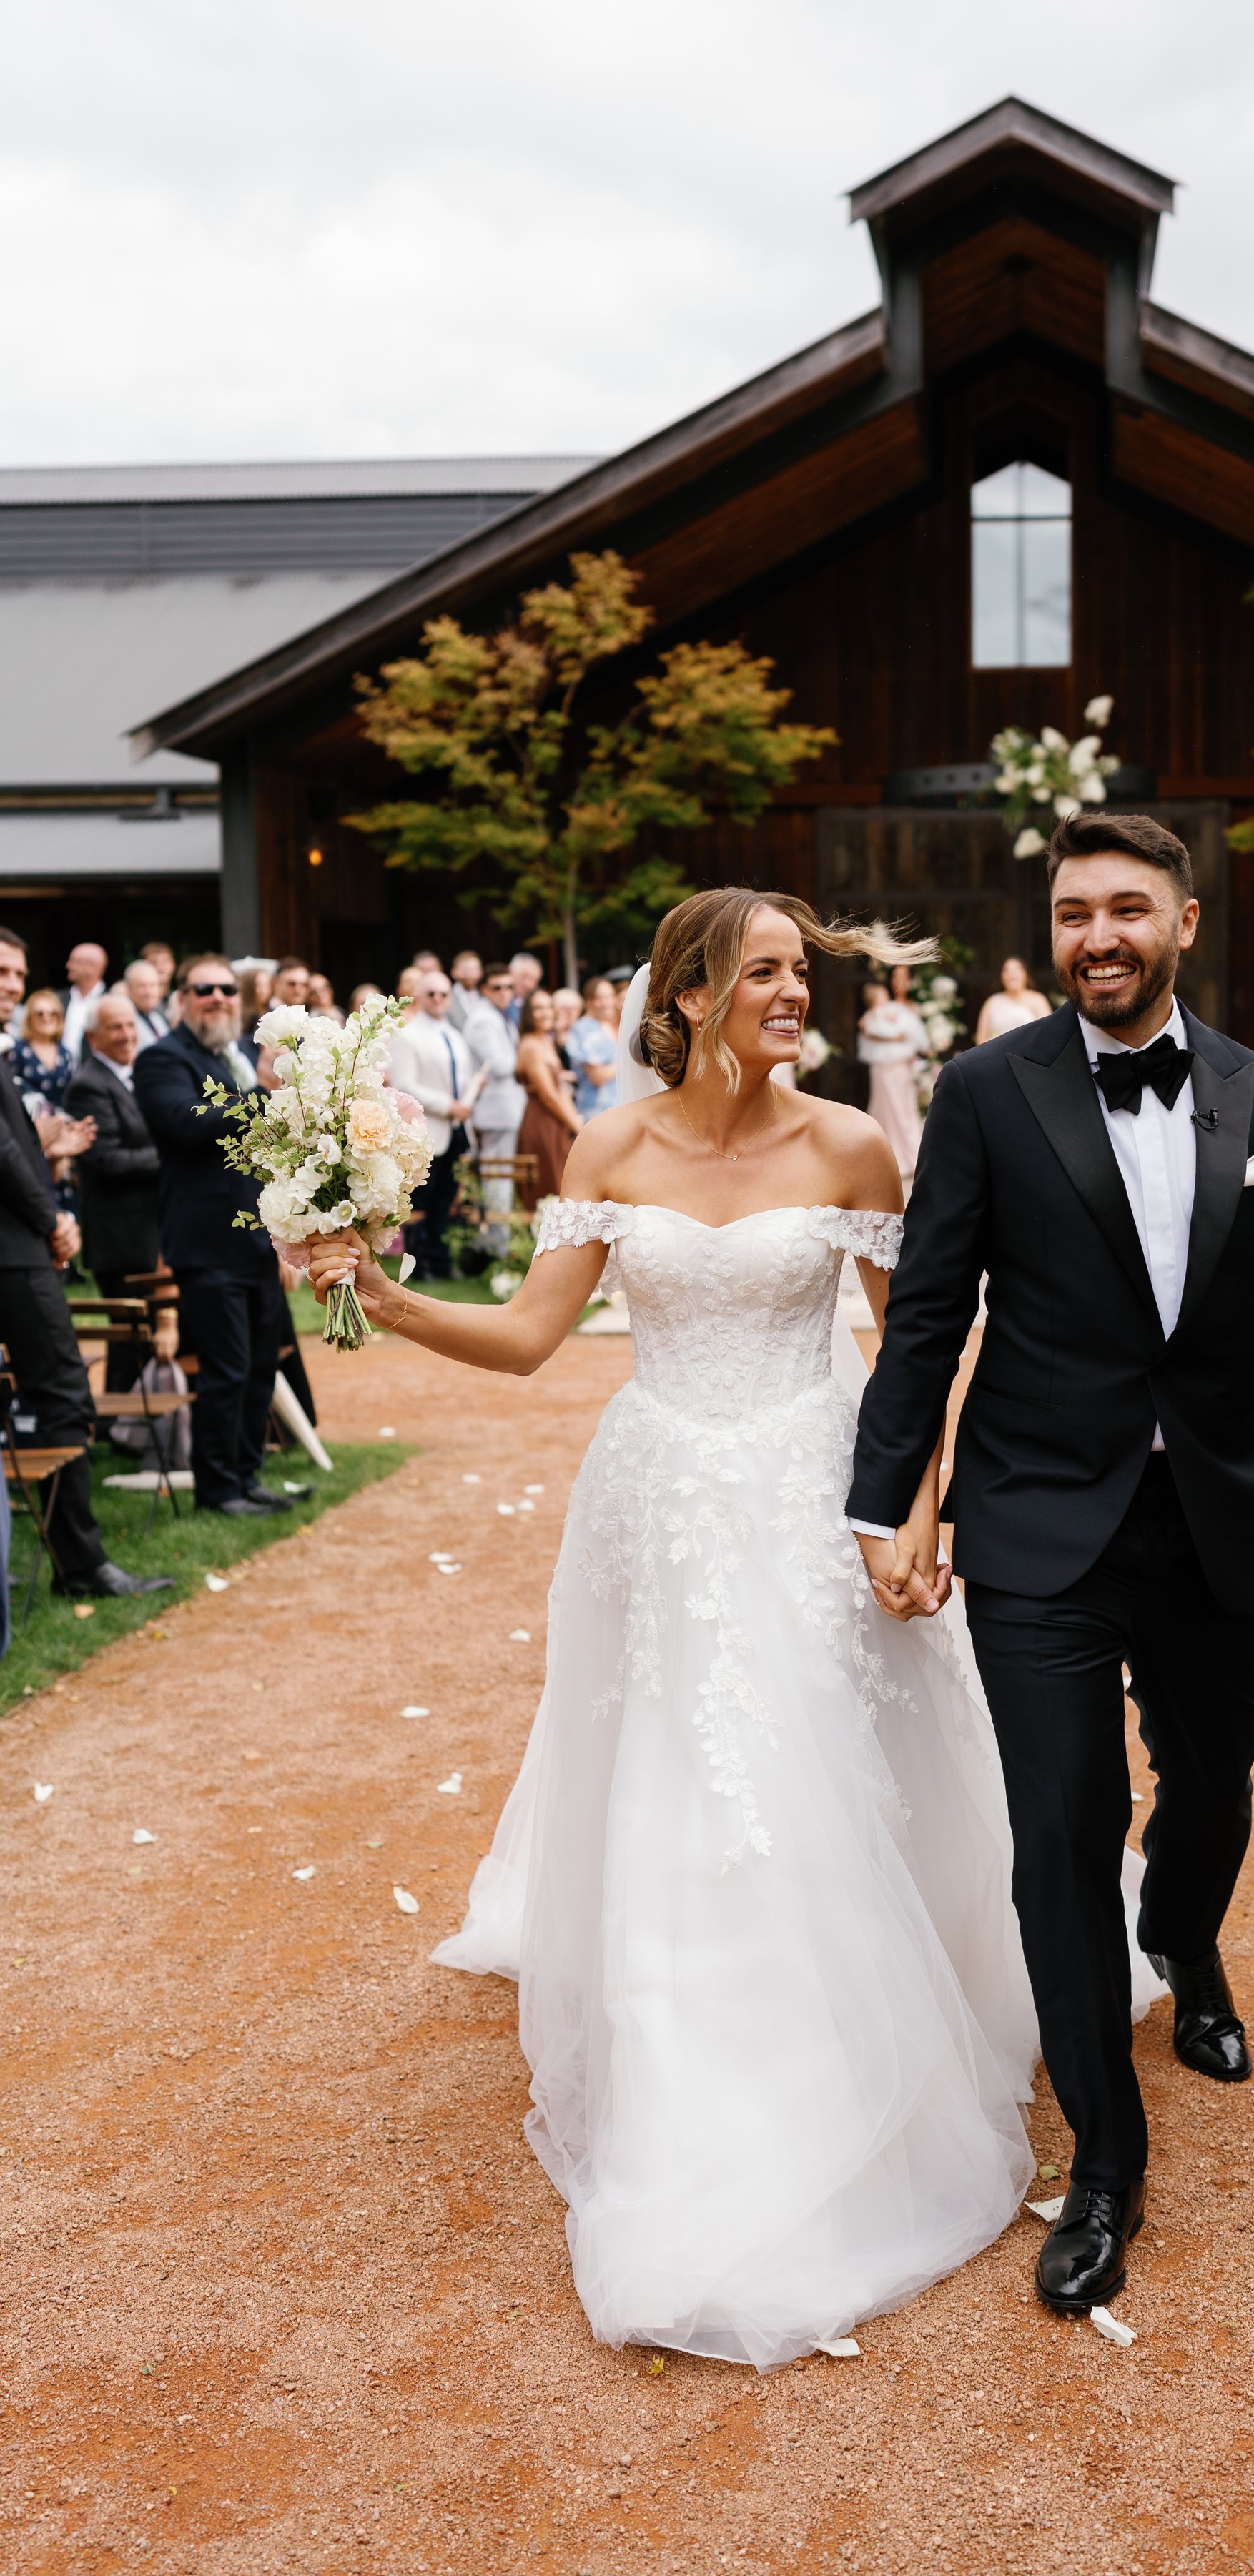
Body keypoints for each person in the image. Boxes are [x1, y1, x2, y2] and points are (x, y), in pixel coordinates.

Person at [302, 887, 1042, 2371]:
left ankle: (880, 2024)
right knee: (683, 1771)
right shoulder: (613, 1143)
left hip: (819, 1482)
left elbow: (913, 1343)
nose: (794, 994)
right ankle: (697, 2076)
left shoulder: (850, 1142)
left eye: (800, 972)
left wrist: (922, 1509)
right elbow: (525, 1339)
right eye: (765, 972)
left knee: (837, 1754)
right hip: (660, 1500)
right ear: (690, 995)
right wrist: (378, 1294)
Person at [848, 809, 1254, 2319]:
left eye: (1125, 910)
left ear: (1183, 922)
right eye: (1073, 911)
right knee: (1062, 1828)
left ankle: (1189, 1948)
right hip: (1032, 1518)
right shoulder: (981, 1091)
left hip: (1215, 1511)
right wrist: (884, 1503)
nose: (1096, 936)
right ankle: (1104, 2155)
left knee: (1210, 1786)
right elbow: (929, 1310)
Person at [0, 929, 172, 1600]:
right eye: (1, 971)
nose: (12, 983)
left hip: (21, 1241)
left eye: (17, 971)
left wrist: (44, 1149)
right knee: (66, 1390)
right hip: (14, 1253)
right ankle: (81, 1564)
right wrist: (52, 1220)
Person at [135, 957, 295, 1519]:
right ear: (183, 998)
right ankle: (217, 1489)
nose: (220, 997)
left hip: (253, 1241)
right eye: (206, 989)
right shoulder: (161, 1060)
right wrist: (266, 1094)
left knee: (259, 1365)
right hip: (205, 1244)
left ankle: (247, 1477)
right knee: (226, 1369)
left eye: (229, 989)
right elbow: (185, 1122)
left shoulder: (224, 1060)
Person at [65, 994, 167, 1394]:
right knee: (131, 1334)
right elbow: (104, 1159)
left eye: (130, 1025)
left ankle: (129, 1429)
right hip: (120, 1235)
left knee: (144, 1332)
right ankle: (122, 1428)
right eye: (115, 1027)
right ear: (93, 1037)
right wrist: (169, 1152)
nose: (127, 1035)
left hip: (148, 1229)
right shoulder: (87, 1086)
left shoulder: (135, 1073)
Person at [386, 967, 479, 1279]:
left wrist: (467, 1100)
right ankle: (419, 1265)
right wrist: (447, 1105)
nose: (438, 999)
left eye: (443, 994)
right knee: (421, 1202)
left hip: (455, 1130)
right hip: (427, 1129)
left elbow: (461, 1078)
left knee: (445, 1200)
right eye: (431, 994)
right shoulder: (409, 1034)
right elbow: (405, 1083)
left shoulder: (454, 1035)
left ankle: (441, 1261)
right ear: (421, 997)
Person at [461, 964, 526, 1203]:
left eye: (509, 987)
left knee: (503, 1176)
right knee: (496, 1177)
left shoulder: (499, 1015)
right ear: (484, 990)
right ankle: (495, 1238)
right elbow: (500, 1065)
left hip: (506, 1108)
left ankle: (500, 1236)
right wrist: (527, 1057)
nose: (504, 992)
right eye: (497, 987)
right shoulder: (482, 1020)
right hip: (495, 1110)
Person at [857, 978, 929, 1179]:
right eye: (881, 996)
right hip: (885, 1070)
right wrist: (895, 1036)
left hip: (899, 1069)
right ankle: (895, 1158)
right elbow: (877, 1032)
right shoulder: (875, 1015)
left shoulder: (887, 1013)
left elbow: (907, 1033)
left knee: (904, 1110)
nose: (885, 998)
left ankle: (911, 1158)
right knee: (890, 1110)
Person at [514, 984, 581, 1198]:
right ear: (529, 1014)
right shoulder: (530, 1045)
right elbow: (549, 1096)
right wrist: (577, 1128)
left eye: (548, 1007)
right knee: (551, 1188)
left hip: (557, 1122)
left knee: (564, 1184)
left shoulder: (546, 1040)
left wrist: (574, 1122)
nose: (545, 1013)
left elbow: (559, 1088)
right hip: (542, 1123)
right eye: (538, 1008)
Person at [565, 976, 620, 1120]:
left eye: (609, 996)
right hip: (596, 1109)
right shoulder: (584, 1028)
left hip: (613, 1107)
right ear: (588, 1002)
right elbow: (598, 1076)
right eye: (600, 998)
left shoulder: (606, 1024)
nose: (606, 1003)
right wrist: (627, 1063)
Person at [13, 990, 76, 1109]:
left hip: (59, 1120)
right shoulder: (17, 1050)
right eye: (40, 1013)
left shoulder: (66, 1054)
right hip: (25, 1120)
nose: (47, 1018)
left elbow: (69, 1095)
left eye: (53, 1013)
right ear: (29, 1018)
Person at [975, 956, 1052, 1044]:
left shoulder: (1038, 999)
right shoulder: (992, 1001)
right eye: (1006, 970)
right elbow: (981, 1039)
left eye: (1017, 969)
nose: (1012, 973)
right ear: (1001, 977)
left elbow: (1046, 1032)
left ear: (1026, 974)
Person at [61, 942, 109, 1065]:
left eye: (74, 962)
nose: (68, 965)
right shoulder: (58, 999)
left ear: (92, 967)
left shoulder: (111, 1002)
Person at [447, 951, 483, 1034]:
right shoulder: (445, 997)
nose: (469, 973)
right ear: (454, 972)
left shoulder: (485, 998)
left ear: (480, 972)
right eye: (465, 969)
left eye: (474, 969)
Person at [508, 952, 543, 1032]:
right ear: (510, 971)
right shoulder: (499, 1000)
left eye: (535, 980)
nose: (529, 985)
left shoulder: (536, 1005)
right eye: (524, 977)